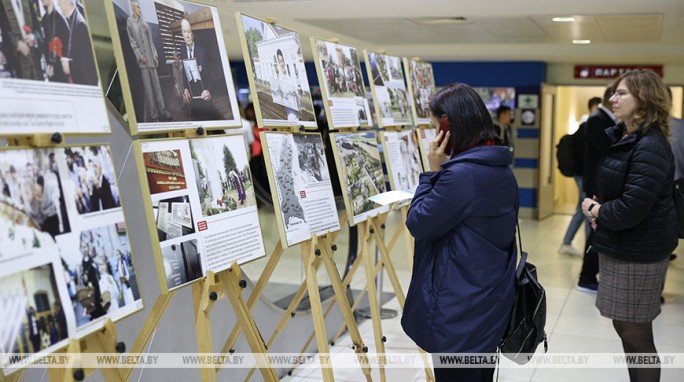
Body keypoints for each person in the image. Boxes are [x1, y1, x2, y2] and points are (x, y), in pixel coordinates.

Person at [401, 83, 518, 382]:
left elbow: (418, 222)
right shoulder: (498, 165)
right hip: (487, 294)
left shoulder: (462, 175)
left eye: (433, 127)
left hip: (460, 303)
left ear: (447, 126)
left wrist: (431, 172)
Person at [581, 69, 676, 382]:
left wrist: (597, 209)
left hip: (639, 252)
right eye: (614, 92)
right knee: (625, 327)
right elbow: (622, 190)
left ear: (645, 100)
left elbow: (632, 209)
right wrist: (603, 207)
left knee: (636, 334)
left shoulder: (649, 145)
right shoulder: (627, 137)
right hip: (623, 245)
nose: (613, 98)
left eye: (622, 93)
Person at [578, 85, 619, 293]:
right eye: (618, 95)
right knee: (595, 232)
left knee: (597, 231)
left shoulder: (606, 120)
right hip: (596, 185)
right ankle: (586, 276)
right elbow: (609, 151)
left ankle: (590, 274)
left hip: (600, 183)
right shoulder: (597, 120)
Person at [559, 97, 601, 257]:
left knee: (581, 208)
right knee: (587, 210)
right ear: (592, 108)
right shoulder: (588, 127)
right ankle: (584, 247)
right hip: (584, 175)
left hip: (582, 175)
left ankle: (568, 242)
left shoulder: (586, 127)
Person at [126, 0, 171, 122]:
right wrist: (139, 55)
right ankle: (154, 115)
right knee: (148, 89)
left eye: (140, 8)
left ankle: (163, 111)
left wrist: (155, 56)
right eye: (138, 8)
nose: (140, 10)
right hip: (142, 62)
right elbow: (132, 42)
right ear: (133, 8)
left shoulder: (144, 22)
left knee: (157, 87)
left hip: (151, 59)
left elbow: (151, 41)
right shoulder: (129, 22)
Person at [179, 18, 222, 121]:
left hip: (204, 96)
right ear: (182, 34)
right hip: (192, 98)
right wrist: (185, 88)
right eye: (185, 32)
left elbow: (210, 79)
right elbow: (184, 72)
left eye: (189, 32)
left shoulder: (202, 53)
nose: (187, 35)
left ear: (192, 34)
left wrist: (210, 93)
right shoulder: (182, 49)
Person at [57, 0, 97, 85]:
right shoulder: (74, 20)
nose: (59, 7)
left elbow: (88, 63)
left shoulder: (80, 24)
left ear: (64, 2)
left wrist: (69, 65)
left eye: (59, 4)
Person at [1, 0, 42, 80]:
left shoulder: (28, 2)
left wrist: (33, 37)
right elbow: (4, 33)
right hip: (14, 66)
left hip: (33, 63)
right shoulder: (2, 4)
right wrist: (16, 44)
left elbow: (38, 32)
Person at [40, 0, 70, 83]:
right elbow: (45, 46)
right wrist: (49, 65)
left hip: (62, 66)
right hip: (50, 67)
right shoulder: (44, 20)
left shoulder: (60, 19)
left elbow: (67, 45)